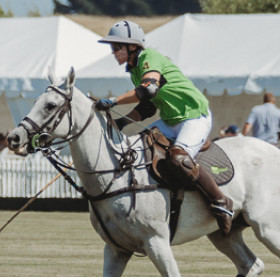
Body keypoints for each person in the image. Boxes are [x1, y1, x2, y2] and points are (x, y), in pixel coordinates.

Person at [94, 20, 233, 233]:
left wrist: (114, 101)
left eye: (116, 46)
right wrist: (120, 123)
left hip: (194, 116)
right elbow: (148, 107)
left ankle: (221, 202)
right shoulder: (134, 70)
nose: (113, 52)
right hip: (170, 121)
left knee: (178, 159)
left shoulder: (148, 57)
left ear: (132, 46)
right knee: (138, 148)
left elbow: (148, 89)